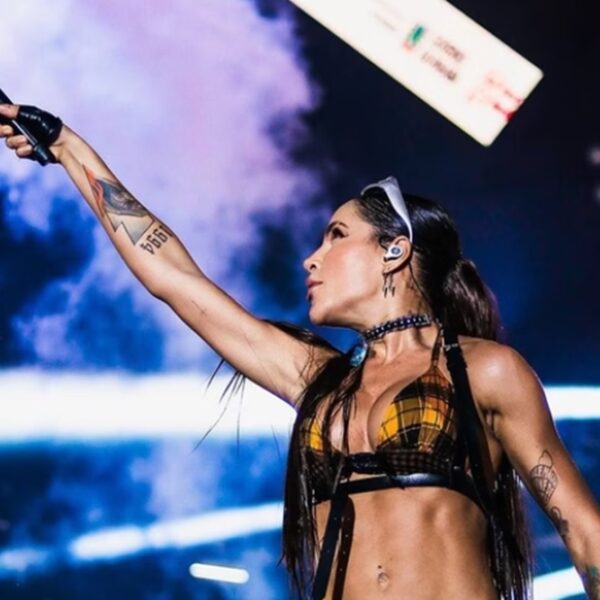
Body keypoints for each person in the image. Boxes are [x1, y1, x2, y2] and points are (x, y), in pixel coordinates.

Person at [1, 102, 599, 600]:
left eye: (336, 236)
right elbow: (174, 279)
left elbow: (584, 534)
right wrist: (69, 147)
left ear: (394, 250)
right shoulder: (319, 379)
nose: (312, 259)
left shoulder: (484, 370)